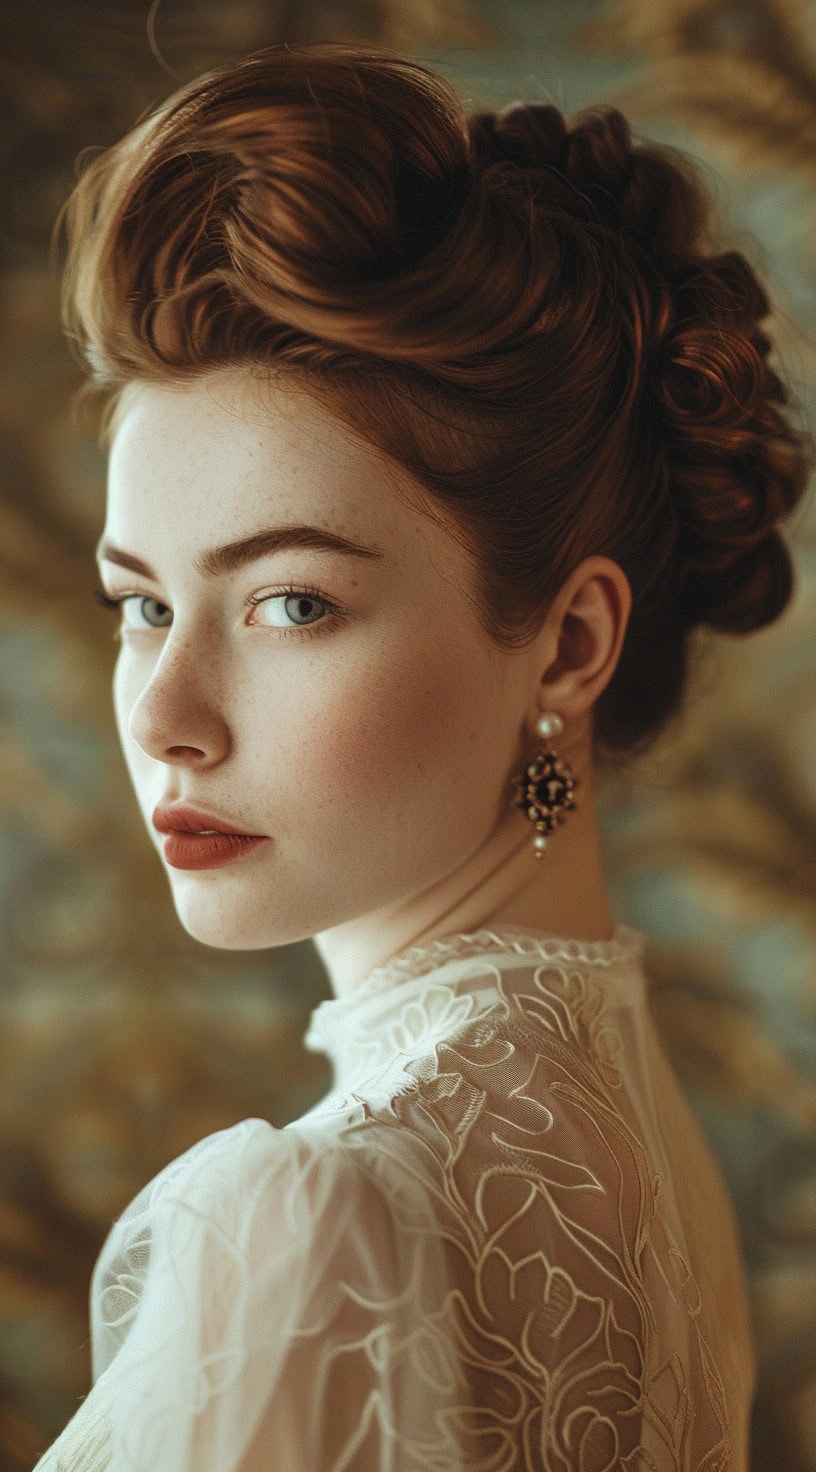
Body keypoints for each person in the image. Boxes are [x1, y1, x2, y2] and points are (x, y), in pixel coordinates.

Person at [36, 39, 814, 1471]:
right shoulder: (641, 1144)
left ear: (571, 646)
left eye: (291, 603)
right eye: (143, 605)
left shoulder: (312, 1228)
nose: (163, 714)